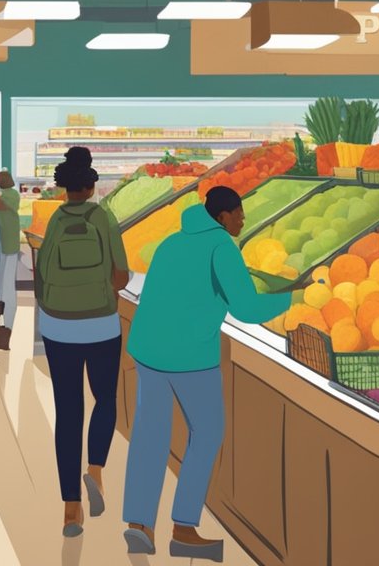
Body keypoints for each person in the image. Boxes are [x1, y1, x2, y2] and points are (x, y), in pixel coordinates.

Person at [122, 186, 291, 561]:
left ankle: (139, 524)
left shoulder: (172, 241)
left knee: (150, 433)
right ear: (221, 217)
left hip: (149, 348)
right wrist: (293, 295)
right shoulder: (221, 246)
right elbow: (246, 308)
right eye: (238, 213)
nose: (243, 220)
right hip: (189, 356)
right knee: (208, 430)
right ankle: (183, 527)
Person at [34, 147, 129, 538]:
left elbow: (41, 273)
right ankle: (96, 472)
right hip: (101, 325)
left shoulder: (55, 220)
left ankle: (71, 508)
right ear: (91, 186)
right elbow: (121, 275)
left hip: (59, 327)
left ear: (63, 187)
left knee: (68, 409)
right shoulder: (104, 217)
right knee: (105, 399)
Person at [0, 171, 21, 329]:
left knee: (7, 279)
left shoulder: (12, 195)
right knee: (0, 279)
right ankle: (0, 308)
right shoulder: (3, 195)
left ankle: (8, 321)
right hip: (2, 240)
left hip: (8, 240)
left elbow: (1, 206)